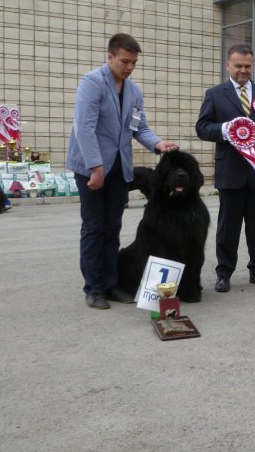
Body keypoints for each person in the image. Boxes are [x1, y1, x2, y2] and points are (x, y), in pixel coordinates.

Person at [67, 33, 178, 310]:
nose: (129, 67)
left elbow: (139, 128)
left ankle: (110, 283)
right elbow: (85, 129)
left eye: (133, 63)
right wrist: (95, 168)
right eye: (124, 61)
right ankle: (93, 289)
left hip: (119, 169)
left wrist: (158, 143)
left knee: (113, 227)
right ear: (110, 57)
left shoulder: (133, 90)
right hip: (91, 168)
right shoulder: (92, 84)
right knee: (94, 228)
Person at [196, 44, 255, 293]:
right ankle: (224, 273)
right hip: (230, 171)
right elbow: (202, 127)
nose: (243, 70)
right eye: (238, 65)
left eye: (247, 66)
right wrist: (227, 130)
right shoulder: (215, 94)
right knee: (228, 225)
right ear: (228, 66)